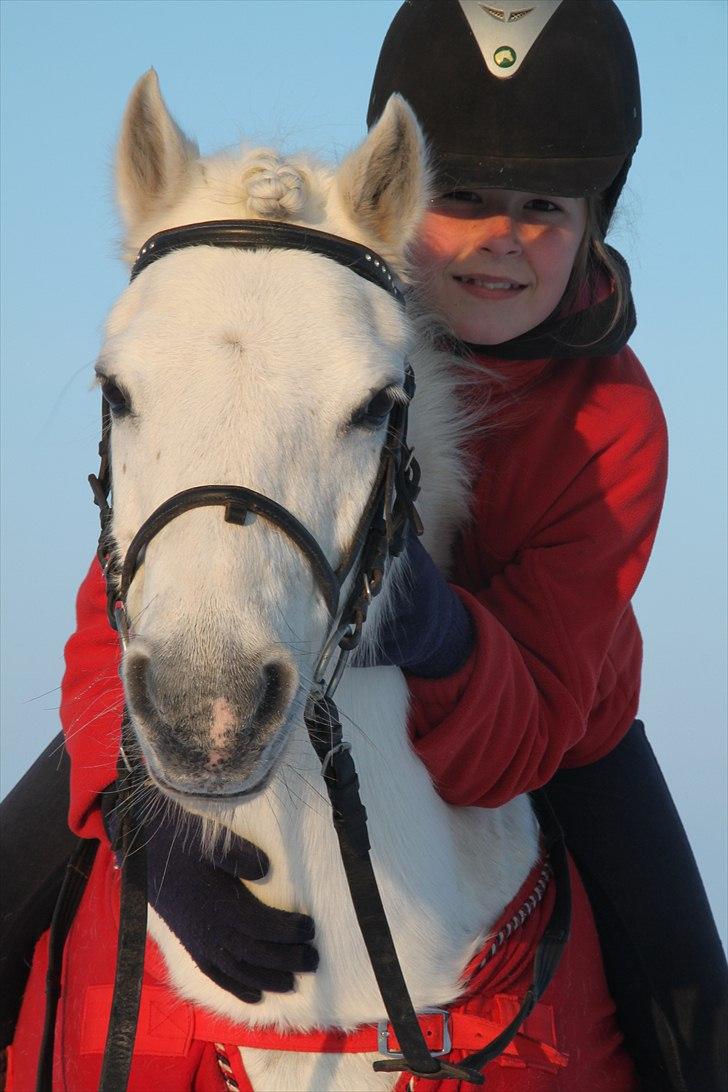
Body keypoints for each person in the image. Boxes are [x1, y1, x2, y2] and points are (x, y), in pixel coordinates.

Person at [2, 1, 726, 1089]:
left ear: (594, 218)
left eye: (544, 208)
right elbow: (129, 594)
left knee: (686, 990)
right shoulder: (288, 335)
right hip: (268, 630)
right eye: (466, 200)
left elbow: (525, 727)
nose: (501, 239)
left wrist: (432, 628)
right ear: (401, 199)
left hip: (546, 710)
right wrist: (139, 825)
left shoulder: (610, 419)